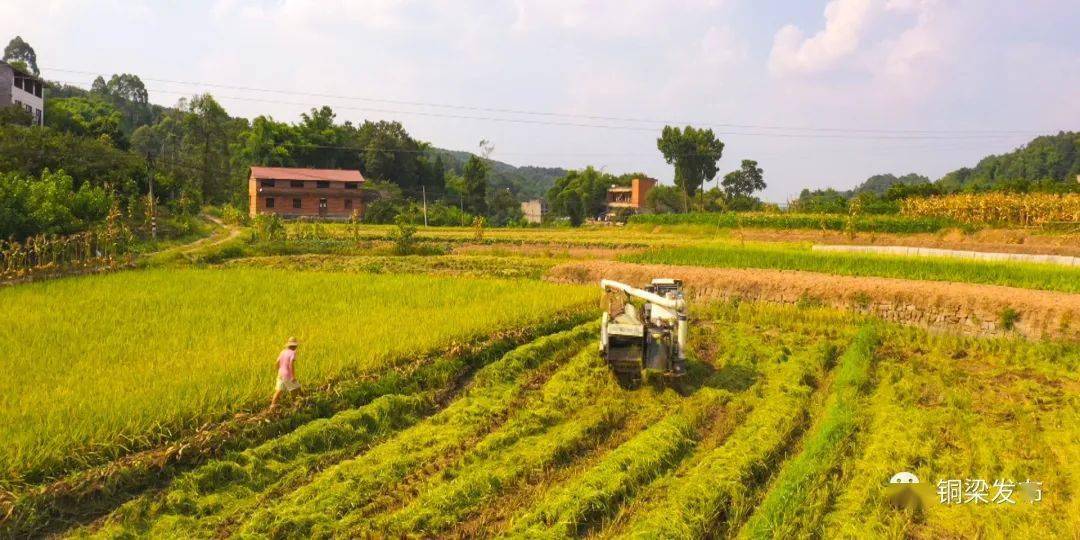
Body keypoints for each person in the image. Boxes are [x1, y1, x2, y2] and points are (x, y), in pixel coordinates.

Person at [270, 337, 300, 410]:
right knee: (295, 389)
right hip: (288, 375)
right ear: (295, 346)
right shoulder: (293, 353)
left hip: (280, 374)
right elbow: (291, 365)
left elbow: (277, 363)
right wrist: (293, 376)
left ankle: (272, 406)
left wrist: (278, 371)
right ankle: (294, 404)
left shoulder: (283, 351)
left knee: (278, 391)